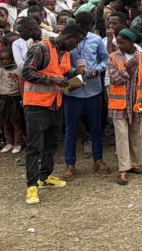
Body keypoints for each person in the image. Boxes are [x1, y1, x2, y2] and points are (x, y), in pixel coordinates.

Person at [21, 25, 85, 205]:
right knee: (35, 147)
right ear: (68, 36)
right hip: (36, 105)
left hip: (55, 104)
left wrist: (76, 77)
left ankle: (44, 177)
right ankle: (32, 186)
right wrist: (52, 80)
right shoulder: (41, 48)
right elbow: (26, 72)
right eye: (76, 42)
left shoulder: (65, 53)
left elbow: (61, 76)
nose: (76, 47)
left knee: (51, 143)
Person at [61, 12, 111, 179]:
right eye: (81, 27)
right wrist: (73, 71)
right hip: (73, 87)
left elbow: (105, 59)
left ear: (92, 26)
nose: (83, 30)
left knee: (96, 127)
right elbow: (62, 64)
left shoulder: (96, 40)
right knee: (71, 128)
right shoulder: (68, 40)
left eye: (87, 27)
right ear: (75, 24)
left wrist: (97, 69)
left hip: (93, 88)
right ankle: (70, 163)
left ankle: (98, 159)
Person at [107, 29, 142, 185]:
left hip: (137, 103)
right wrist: (126, 68)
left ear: (132, 42)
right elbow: (114, 79)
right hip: (119, 104)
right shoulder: (113, 57)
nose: (119, 45)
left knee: (137, 134)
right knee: (121, 135)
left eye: (122, 42)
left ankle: (136, 163)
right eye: (117, 42)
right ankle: (123, 169)